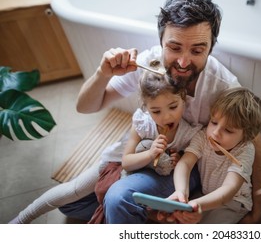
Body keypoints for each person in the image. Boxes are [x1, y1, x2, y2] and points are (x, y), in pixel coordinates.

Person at [63, 0, 261, 224]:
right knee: (72, 205)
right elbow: (85, 107)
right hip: (141, 154)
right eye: (174, 47)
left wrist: (258, 211)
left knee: (118, 199)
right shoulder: (149, 66)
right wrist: (103, 73)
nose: (183, 62)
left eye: (197, 50)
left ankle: (134, 209)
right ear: (161, 42)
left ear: (211, 48)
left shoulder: (223, 85)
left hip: (178, 166)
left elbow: (256, 144)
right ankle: (141, 213)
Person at [8, 60, 201, 224]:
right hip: (122, 165)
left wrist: (177, 158)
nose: (166, 116)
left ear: (183, 99)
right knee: (70, 197)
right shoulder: (143, 122)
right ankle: (20, 220)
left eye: (173, 106)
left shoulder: (187, 132)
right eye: (156, 111)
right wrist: (150, 154)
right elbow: (126, 161)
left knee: (119, 200)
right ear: (146, 108)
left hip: (144, 179)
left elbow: (185, 164)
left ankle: (128, 213)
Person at [168, 87, 261, 223]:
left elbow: (228, 190)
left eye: (228, 130)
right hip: (206, 193)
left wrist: (197, 205)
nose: (215, 133)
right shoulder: (203, 136)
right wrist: (180, 191)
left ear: (246, 136)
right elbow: (185, 163)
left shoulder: (245, 150)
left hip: (233, 202)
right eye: (214, 122)